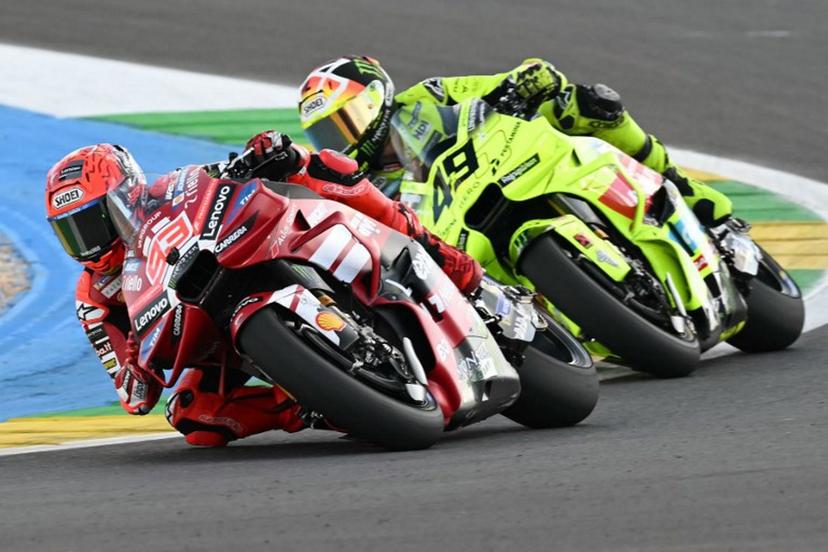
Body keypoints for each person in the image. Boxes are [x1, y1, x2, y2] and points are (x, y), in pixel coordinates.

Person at [45, 139, 483, 446]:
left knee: (318, 168)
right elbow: (131, 394)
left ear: (126, 195)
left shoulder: (171, 187)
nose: (89, 244)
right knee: (195, 418)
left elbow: (221, 177)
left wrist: (264, 155)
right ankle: (315, 404)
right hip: (211, 336)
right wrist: (139, 371)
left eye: (92, 222)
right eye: (72, 233)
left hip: (251, 255)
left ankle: (434, 250)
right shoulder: (94, 299)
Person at [296, 56, 733, 228]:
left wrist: (523, 81)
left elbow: (496, 83)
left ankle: (674, 182)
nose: (343, 137)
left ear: (375, 98)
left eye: (345, 120)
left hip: (504, 166)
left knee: (582, 104)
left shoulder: (423, 98)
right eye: (329, 133)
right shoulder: (357, 183)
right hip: (458, 236)